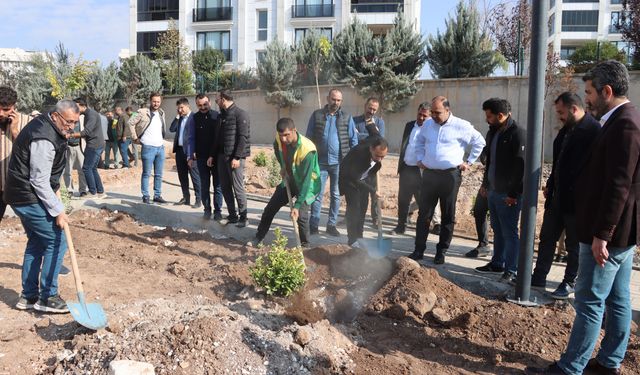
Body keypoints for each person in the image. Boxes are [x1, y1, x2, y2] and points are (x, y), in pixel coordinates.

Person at [525, 60, 640, 375]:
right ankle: (608, 362)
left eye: (589, 92)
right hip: (617, 233)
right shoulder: (619, 120)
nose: (586, 99)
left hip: (606, 235)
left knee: (589, 302)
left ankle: (570, 368)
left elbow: (620, 184)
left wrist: (602, 233)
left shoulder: (625, 124)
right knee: (618, 300)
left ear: (606, 90)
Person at [4, 99, 79, 313]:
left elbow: (49, 178)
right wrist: (58, 211)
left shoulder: (50, 127)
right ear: (56, 116)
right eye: (68, 122)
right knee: (57, 241)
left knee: (36, 242)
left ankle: (28, 297)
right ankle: (48, 297)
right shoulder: (44, 137)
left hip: (22, 194)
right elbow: (39, 180)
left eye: (75, 122)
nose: (71, 127)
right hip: (26, 196)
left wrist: (57, 203)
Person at [530, 92, 600, 299]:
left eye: (561, 112)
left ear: (574, 109)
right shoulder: (566, 130)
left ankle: (570, 282)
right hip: (558, 198)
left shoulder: (593, 131)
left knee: (574, 245)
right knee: (547, 238)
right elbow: (559, 164)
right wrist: (551, 186)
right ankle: (539, 276)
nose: (559, 116)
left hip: (578, 202)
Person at [407, 96, 485, 264]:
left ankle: (441, 251)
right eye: (432, 112)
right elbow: (419, 141)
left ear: (448, 110)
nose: (433, 115)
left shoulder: (461, 126)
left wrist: (469, 162)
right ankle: (418, 250)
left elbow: (480, 142)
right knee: (424, 214)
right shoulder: (428, 124)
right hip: (429, 174)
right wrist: (420, 158)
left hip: (450, 175)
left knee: (447, 214)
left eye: (437, 112)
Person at [474, 98, 525, 283]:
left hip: (508, 195)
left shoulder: (517, 134)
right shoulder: (493, 132)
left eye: (489, 116)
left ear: (500, 115)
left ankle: (512, 269)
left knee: (510, 232)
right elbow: (490, 162)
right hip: (493, 191)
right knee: (498, 229)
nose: (487, 119)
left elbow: (521, 167)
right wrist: (485, 184)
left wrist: (513, 194)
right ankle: (497, 263)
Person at [248, 118, 321, 247]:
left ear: (294, 131)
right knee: (270, 209)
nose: (284, 139)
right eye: (281, 135)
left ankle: (305, 247)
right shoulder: (279, 139)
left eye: (287, 135)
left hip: (308, 185)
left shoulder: (307, 150)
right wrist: (283, 166)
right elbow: (277, 148)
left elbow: (305, 181)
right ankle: (258, 237)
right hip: (290, 180)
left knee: (301, 217)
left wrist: (297, 206)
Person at [306, 88, 359, 237]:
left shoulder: (347, 118)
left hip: (339, 164)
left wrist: (353, 162)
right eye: (333, 99)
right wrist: (310, 158)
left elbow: (353, 141)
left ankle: (331, 225)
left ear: (341, 101)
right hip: (320, 163)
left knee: (336, 195)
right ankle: (314, 225)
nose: (335, 103)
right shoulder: (317, 115)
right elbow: (309, 137)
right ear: (327, 98)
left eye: (338, 100)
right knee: (317, 194)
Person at [339, 136, 388, 246]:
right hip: (349, 180)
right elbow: (355, 178)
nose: (379, 159)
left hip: (362, 180)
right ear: (371, 149)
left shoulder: (376, 154)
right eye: (377, 156)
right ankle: (352, 240)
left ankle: (359, 238)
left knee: (362, 209)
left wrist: (369, 123)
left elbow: (375, 132)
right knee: (354, 210)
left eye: (383, 157)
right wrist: (373, 190)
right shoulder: (360, 155)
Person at [211, 89, 250, 227]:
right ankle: (232, 216)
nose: (217, 103)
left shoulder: (240, 114)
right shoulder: (221, 116)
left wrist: (237, 157)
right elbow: (217, 138)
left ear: (223, 99)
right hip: (221, 157)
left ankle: (243, 217)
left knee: (238, 187)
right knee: (225, 187)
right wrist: (212, 155)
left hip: (234, 158)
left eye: (217, 100)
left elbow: (243, 137)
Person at [390, 103, 429, 235]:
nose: (422, 118)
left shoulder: (431, 130)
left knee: (422, 203)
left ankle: (422, 231)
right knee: (403, 200)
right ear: (417, 112)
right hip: (406, 168)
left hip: (421, 171)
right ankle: (401, 226)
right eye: (420, 114)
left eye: (425, 116)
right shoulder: (409, 125)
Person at [128, 93, 167, 204]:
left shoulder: (161, 113)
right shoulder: (142, 112)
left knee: (159, 174)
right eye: (154, 101)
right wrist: (135, 137)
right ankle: (145, 195)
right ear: (150, 101)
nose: (156, 103)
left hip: (160, 148)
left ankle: (157, 195)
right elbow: (130, 122)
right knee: (146, 173)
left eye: (158, 102)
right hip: (148, 147)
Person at [189, 94, 222, 219]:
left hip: (216, 157)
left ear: (210, 102)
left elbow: (219, 138)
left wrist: (213, 155)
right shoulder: (194, 118)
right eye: (200, 105)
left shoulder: (217, 116)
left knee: (218, 185)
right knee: (204, 184)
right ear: (196, 105)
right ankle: (207, 209)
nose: (203, 107)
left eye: (205, 104)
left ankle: (218, 211)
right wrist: (190, 155)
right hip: (201, 157)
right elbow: (191, 137)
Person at [353, 97, 385, 227]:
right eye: (370, 108)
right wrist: (370, 137)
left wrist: (362, 136)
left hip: (373, 163)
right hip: (358, 162)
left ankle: (376, 218)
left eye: (374, 109)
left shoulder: (379, 122)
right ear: (365, 106)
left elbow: (379, 140)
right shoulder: (354, 121)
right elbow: (353, 137)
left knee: (374, 191)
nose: (371, 111)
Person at [0, 86, 29, 222]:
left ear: (14, 107)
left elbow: (31, 152)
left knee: (34, 228)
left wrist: (16, 131)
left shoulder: (27, 123)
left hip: (20, 187)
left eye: (5, 110)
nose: (1, 113)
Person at [169, 97, 201, 208]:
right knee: (182, 176)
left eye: (182, 108)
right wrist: (178, 116)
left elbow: (198, 137)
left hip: (190, 153)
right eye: (178, 108)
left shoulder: (195, 118)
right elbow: (171, 129)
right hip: (179, 151)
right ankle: (186, 198)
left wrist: (196, 151)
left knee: (195, 176)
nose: (180, 110)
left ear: (188, 106)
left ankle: (198, 199)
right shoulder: (180, 118)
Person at [70, 98, 105, 198]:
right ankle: (100, 192)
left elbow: (87, 132)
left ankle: (92, 192)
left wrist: (71, 135)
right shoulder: (87, 114)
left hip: (94, 145)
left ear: (83, 106)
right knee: (92, 168)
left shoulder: (91, 115)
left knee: (86, 168)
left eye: (76, 106)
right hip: (95, 144)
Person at [62, 113, 88, 197]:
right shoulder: (66, 117)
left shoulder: (82, 118)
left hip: (79, 146)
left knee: (82, 169)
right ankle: (69, 189)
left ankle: (83, 190)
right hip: (68, 146)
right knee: (68, 170)